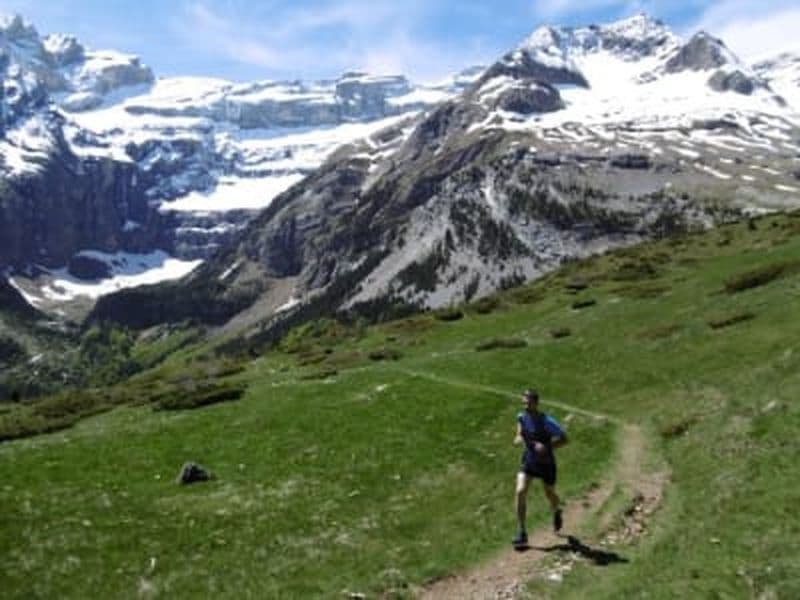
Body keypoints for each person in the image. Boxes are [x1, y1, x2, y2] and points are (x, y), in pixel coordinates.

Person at [512, 388, 568, 546]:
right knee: (520, 491)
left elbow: (564, 439)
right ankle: (522, 532)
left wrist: (547, 447)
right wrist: (518, 436)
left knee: (549, 493)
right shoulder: (521, 417)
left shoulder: (547, 421)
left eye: (528, 401)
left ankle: (557, 510)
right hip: (529, 461)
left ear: (536, 403)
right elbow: (520, 429)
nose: (525, 404)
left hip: (546, 464)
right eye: (524, 401)